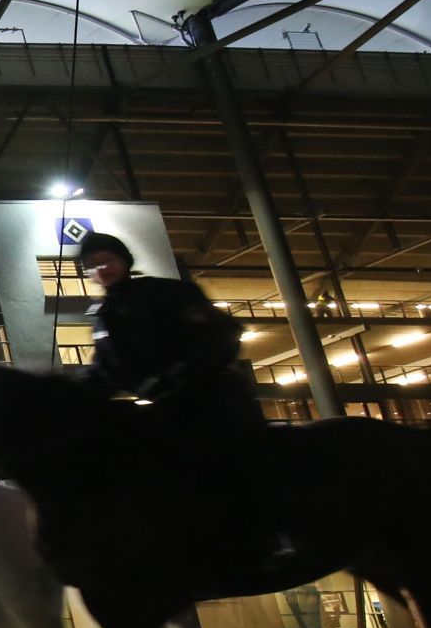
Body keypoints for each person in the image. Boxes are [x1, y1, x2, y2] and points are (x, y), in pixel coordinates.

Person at [76, 232, 279, 550]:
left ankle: (270, 535)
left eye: (107, 260)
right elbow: (106, 372)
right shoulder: (103, 317)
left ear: (124, 261)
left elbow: (222, 334)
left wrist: (182, 375)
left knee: (230, 460)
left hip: (214, 397)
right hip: (166, 405)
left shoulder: (170, 292)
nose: (101, 269)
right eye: (92, 265)